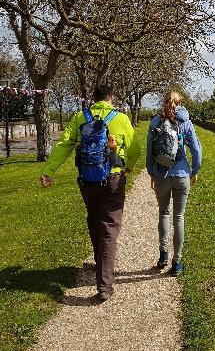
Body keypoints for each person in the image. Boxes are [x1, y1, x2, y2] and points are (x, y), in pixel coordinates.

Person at [40, 85, 140, 302]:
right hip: (113, 178)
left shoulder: (80, 117)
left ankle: (101, 264)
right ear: (110, 98)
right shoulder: (121, 118)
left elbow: (64, 145)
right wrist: (129, 166)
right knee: (110, 228)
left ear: (93, 100)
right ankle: (104, 285)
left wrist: (49, 170)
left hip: (87, 179)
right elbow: (135, 149)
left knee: (95, 221)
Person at [146, 91, 202, 276]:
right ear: (180, 103)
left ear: (164, 102)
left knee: (163, 213)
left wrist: (152, 173)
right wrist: (194, 171)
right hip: (181, 175)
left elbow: (149, 151)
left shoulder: (155, 121)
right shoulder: (186, 122)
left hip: (161, 175)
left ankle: (163, 255)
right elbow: (196, 150)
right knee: (179, 217)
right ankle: (177, 263)